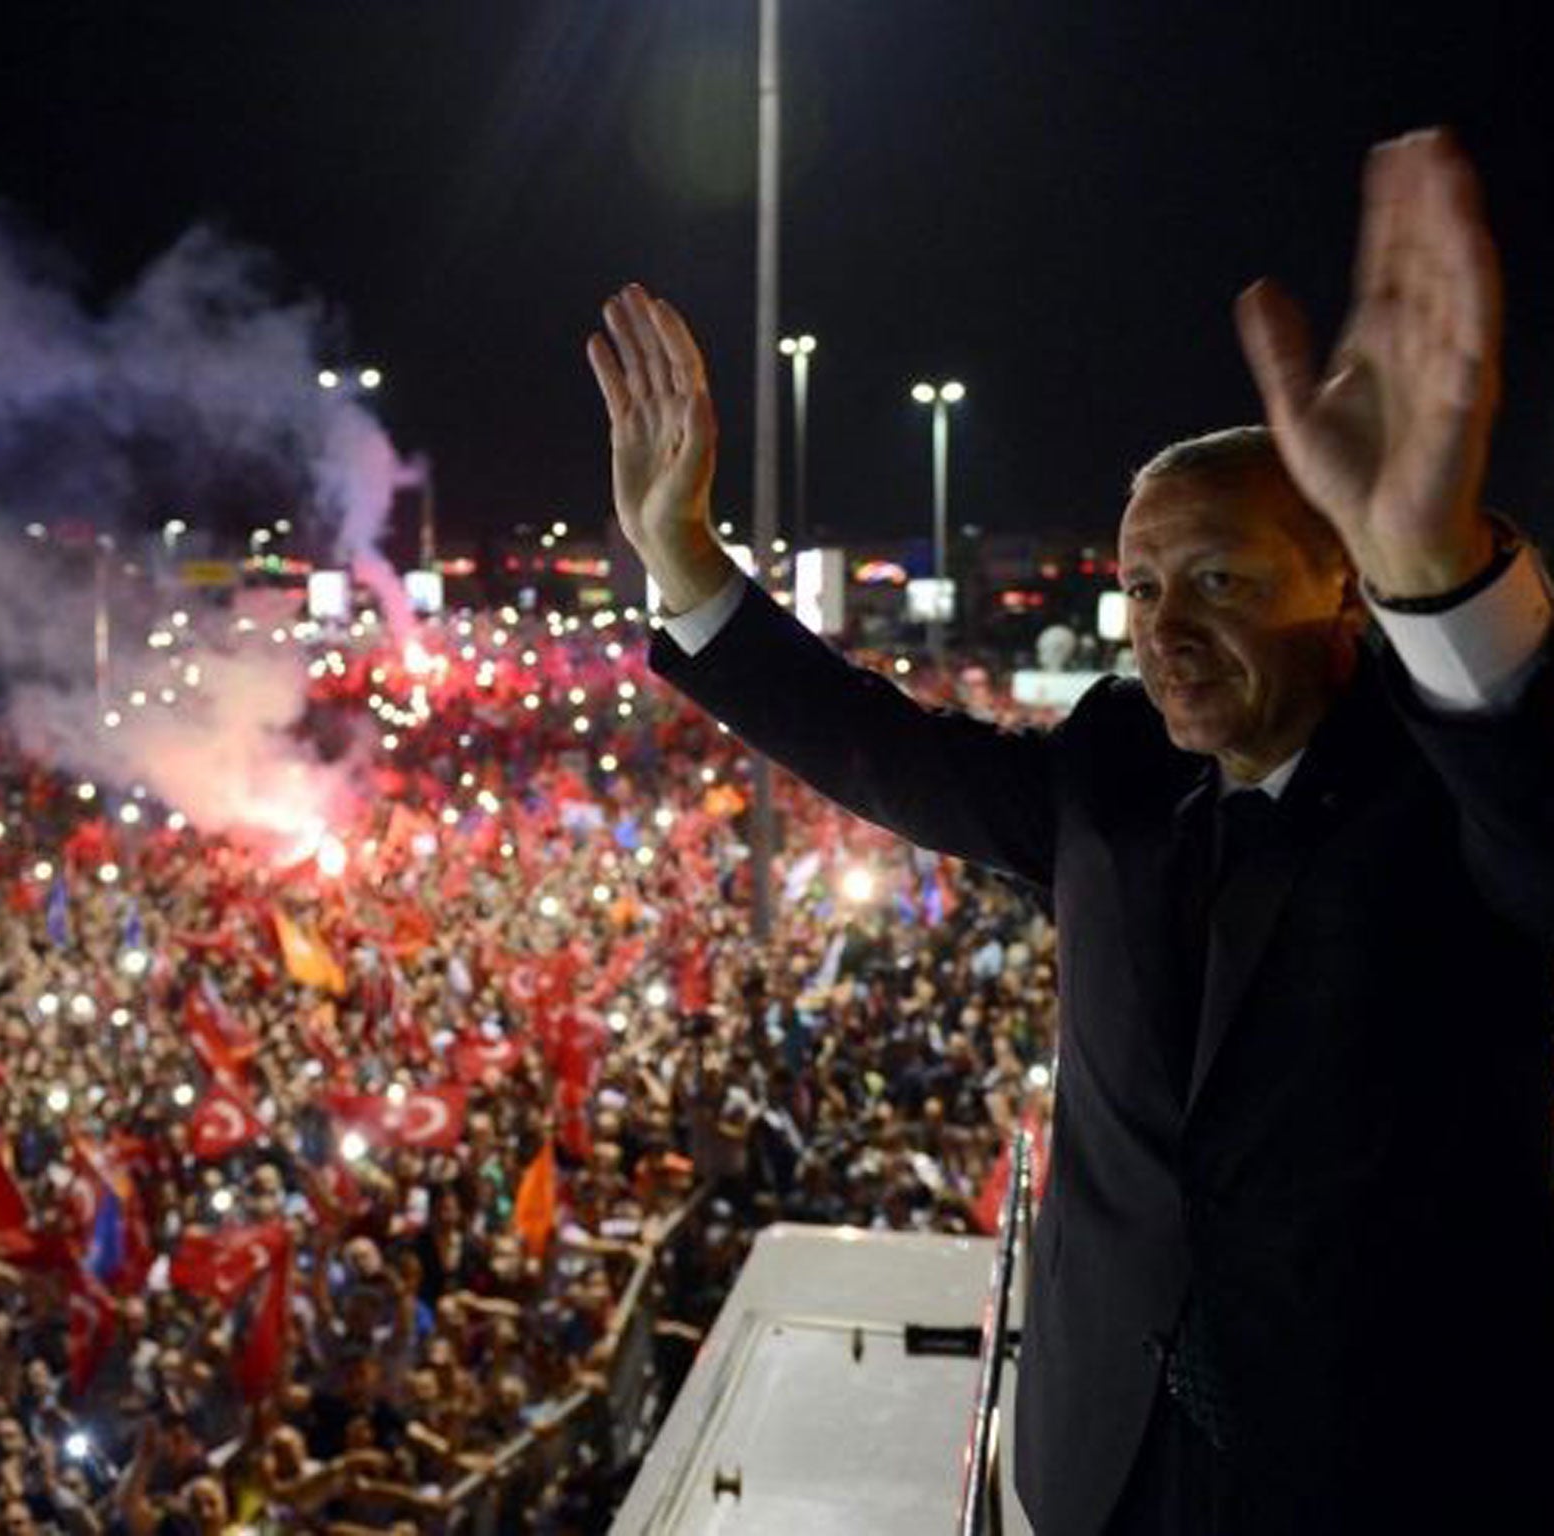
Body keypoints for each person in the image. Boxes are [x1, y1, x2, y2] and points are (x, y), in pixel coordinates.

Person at [588, 129, 1554, 1533]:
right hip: (1091, 1460)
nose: (1161, 626)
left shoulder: (1456, 787)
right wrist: (684, 562)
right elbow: (888, 752)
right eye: (1141, 582)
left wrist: (1440, 573)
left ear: (1343, 583)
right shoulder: (1112, 768)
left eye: (1217, 576)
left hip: (1394, 1469)